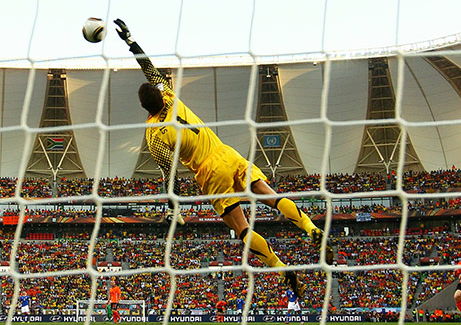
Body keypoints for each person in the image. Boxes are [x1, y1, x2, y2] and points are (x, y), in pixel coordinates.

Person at [114, 19, 334, 299]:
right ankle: (310, 227)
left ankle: (280, 266)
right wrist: (131, 42)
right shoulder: (169, 95)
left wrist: (175, 208)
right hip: (227, 152)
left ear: (143, 108)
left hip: (208, 171)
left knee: (242, 228)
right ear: (159, 93)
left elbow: (169, 175)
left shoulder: (154, 135)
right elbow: (149, 68)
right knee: (271, 197)